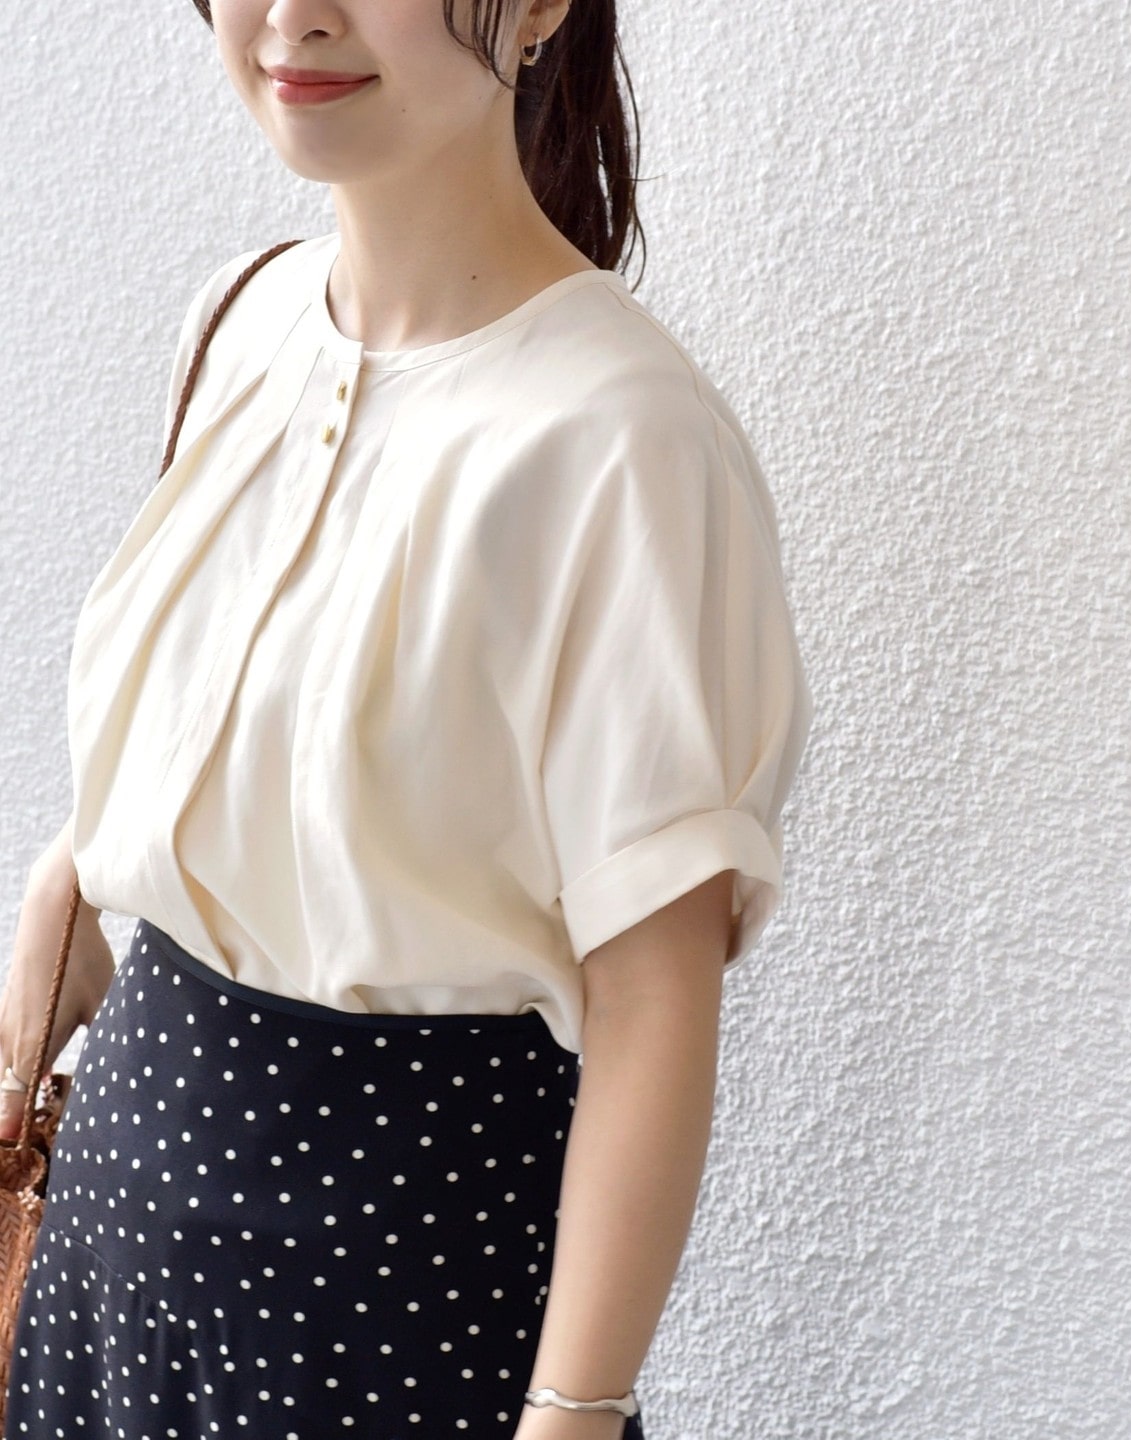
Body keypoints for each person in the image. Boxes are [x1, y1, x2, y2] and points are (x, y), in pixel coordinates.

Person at [0, 0, 813, 1435]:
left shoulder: (624, 440)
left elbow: (653, 1001)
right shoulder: (241, 318)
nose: (294, 16)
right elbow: (271, 718)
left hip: (390, 1307)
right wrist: (82, 876)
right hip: (110, 1270)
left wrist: (573, 1412)